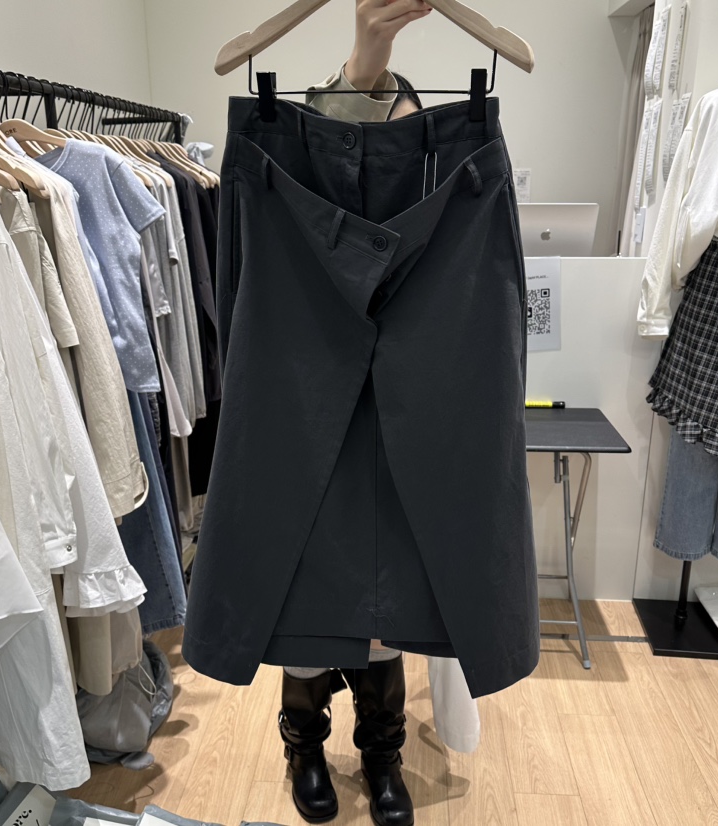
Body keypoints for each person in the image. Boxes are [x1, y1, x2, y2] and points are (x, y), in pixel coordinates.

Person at [274, 5, 435, 826]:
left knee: (387, 597)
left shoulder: (436, 149)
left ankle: (382, 754)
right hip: (313, 371)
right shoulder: (305, 149)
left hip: (404, 384)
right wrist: (368, 49)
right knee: (308, 584)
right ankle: (303, 745)